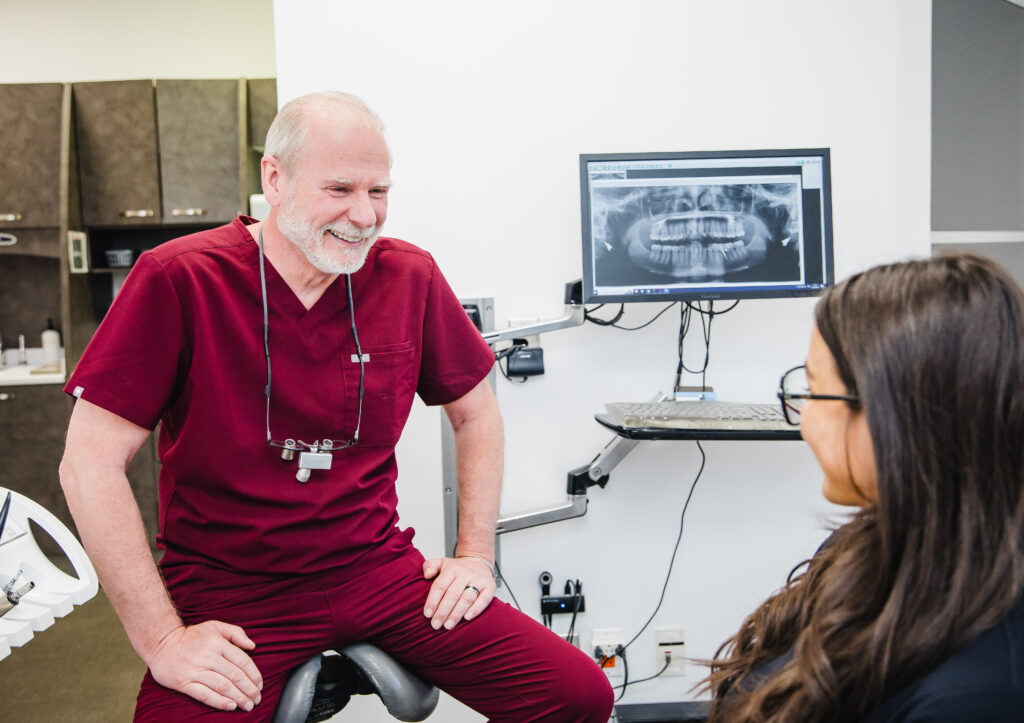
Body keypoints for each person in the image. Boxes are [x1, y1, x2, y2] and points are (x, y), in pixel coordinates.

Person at [59, 91, 613, 722]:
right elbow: (88, 464)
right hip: (233, 590)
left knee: (577, 696)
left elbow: (477, 411)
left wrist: (475, 556)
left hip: (376, 570)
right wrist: (161, 639)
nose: (363, 215)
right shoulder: (180, 278)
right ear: (275, 177)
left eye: (378, 192)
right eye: (340, 189)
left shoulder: (408, 277)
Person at [702, 253, 1024, 721]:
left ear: (897, 417)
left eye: (814, 392)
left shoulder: (975, 695)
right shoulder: (871, 545)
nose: (804, 420)